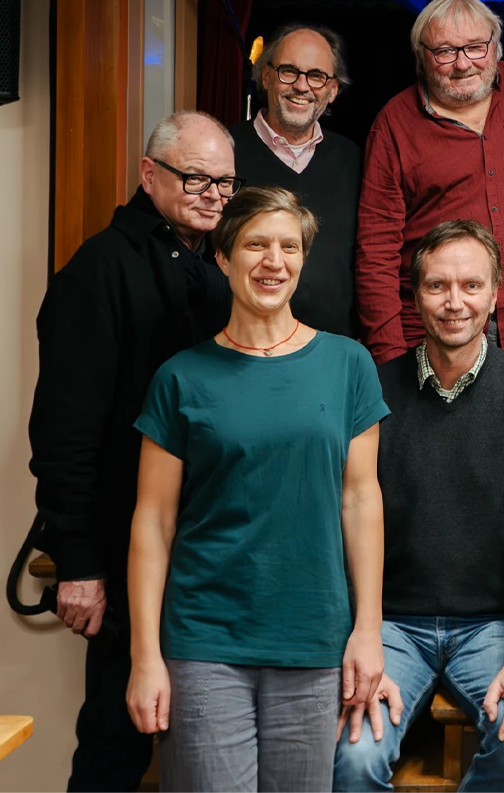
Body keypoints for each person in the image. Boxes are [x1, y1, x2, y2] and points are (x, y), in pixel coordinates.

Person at [126, 187, 388, 792]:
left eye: (289, 247)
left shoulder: (348, 364)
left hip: (314, 638)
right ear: (223, 257)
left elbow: (360, 501)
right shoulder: (180, 378)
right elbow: (153, 522)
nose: (274, 261)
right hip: (204, 641)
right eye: (256, 245)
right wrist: (145, 657)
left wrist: (367, 631)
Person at [28, 110, 236, 792]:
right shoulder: (99, 270)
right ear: (150, 174)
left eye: (225, 182)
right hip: (122, 547)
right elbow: (64, 434)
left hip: (204, 546)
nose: (212, 195)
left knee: (198, 740)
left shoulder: (220, 266)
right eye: (196, 178)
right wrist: (79, 565)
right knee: (116, 742)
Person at [333, 219, 504, 792]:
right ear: (416, 296)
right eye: (437, 285)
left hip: (491, 626)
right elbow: (346, 520)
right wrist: (360, 634)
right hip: (391, 626)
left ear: (495, 293)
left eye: (471, 285)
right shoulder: (375, 389)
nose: (454, 302)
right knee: (353, 761)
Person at [356, 0, 504, 365]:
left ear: (496, 47)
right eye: (445, 51)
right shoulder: (393, 124)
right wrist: (389, 358)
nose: (463, 63)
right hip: (435, 335)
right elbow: (376, 250)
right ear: (421, 56)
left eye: (475, 47)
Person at [231, 22, 362, 337]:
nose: (302, 86)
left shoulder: (354, 159)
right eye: (288, 71)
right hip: (240, 347)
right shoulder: (225, 151)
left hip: (331, 348)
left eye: (316, 76)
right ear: (266, 76)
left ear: (333, 91)